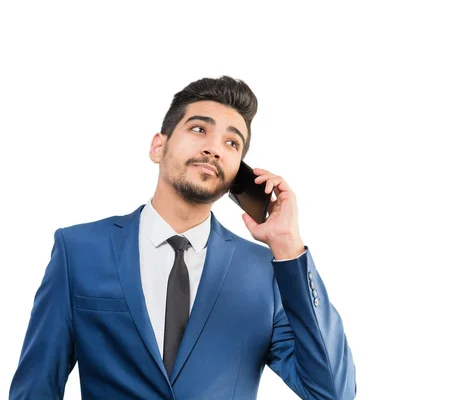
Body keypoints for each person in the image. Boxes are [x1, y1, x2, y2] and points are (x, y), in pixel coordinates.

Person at [9, 76, 356, 399]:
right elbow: (36, 387)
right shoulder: (79, 250)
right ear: (158, 147)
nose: (214, 148)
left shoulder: (265, 272)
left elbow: (331, 391)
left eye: (231, 142)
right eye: (199, 129)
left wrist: (288, 246)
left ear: (239, 174)